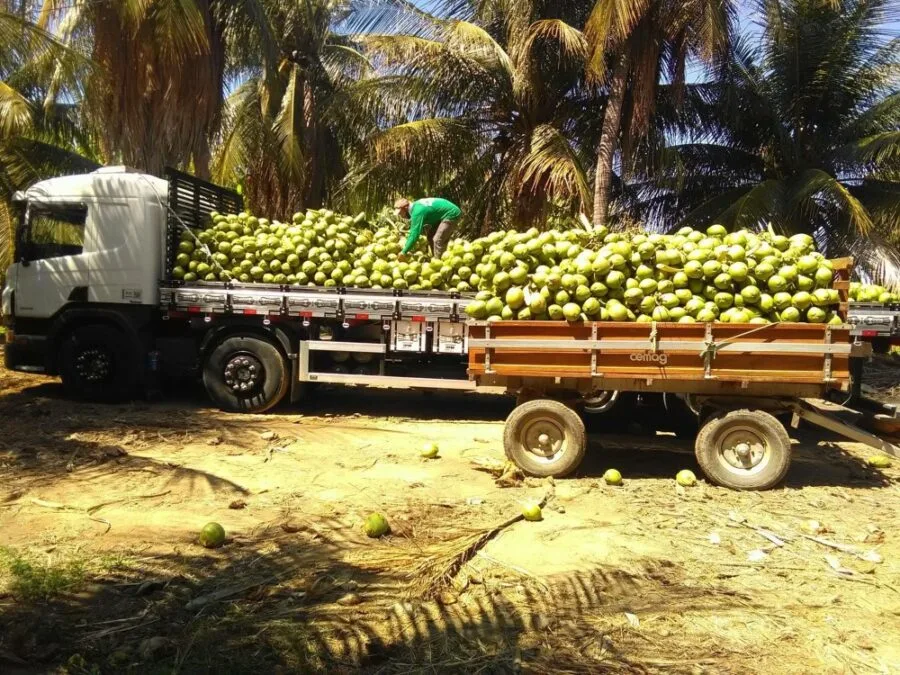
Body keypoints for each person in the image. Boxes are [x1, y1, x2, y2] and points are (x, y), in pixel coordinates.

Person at [394, 197, 461, 260]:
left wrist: (403, 252)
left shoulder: (417, 212)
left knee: (437, 239)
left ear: (406, 208)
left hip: (451, 213)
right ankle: (435, 257)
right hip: (441, 216)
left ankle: (438, 263)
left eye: (400, 213)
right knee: (430, 236)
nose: (401, 216)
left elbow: (414, 234)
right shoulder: (416, 206)